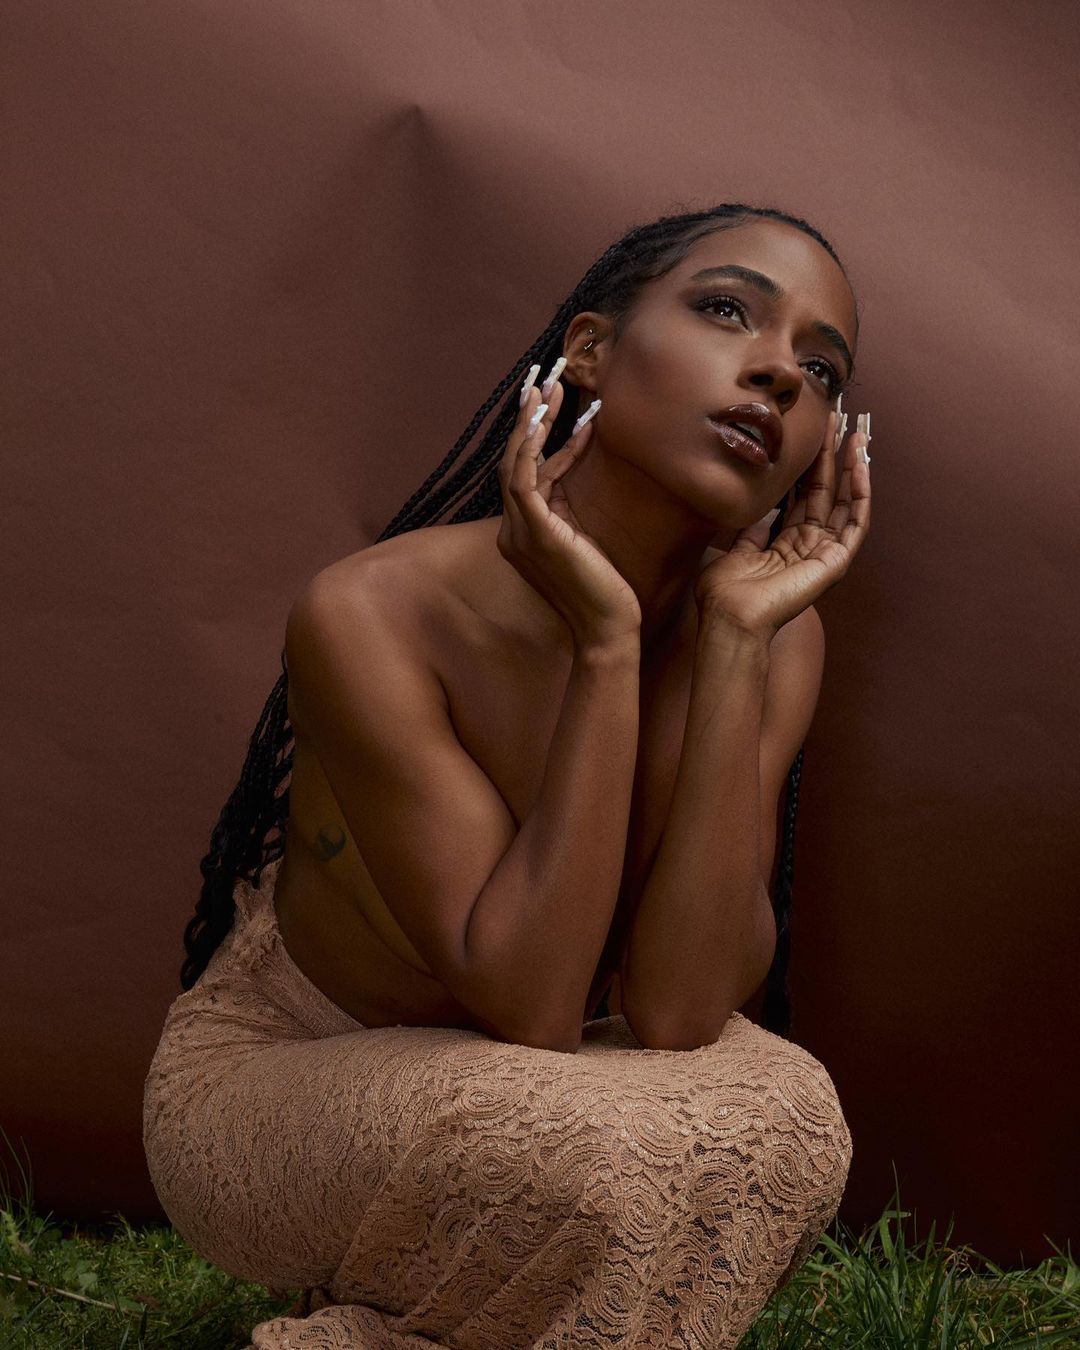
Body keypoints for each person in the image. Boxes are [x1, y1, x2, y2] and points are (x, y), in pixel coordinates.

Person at [143, 201, 870, 1349]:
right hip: (293, 1074)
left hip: (570, 1076)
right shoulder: (376, 610)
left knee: (793, 1118)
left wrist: (736, 643)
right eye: (728, 310)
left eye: (822, 371)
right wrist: (606, 643)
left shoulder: (777, 636)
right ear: (589, 351)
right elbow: (532, 1000)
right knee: (589, 1151)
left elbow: (679, 1012)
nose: (781, 373)